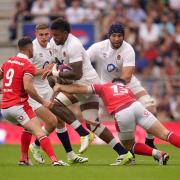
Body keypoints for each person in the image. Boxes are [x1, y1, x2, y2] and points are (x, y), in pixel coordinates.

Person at [43, 17, 133, 165]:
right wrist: (52, 73)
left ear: (65, 33)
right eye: (52, 34)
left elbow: (77, 73)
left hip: (88, 84)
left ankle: (83, 134)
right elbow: (56, 63)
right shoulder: (54, 43)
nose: (54, 38)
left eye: (57, 35)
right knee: (93, 124)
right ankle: (124, 153)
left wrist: (56, 74)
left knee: (55, 104)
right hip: (80, 85)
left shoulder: (74, 45)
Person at [53, 79, 180, 165]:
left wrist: (61, 87)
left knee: (128, 145)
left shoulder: (104, 86)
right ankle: (159, 153)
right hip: (137, 106)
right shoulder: (127, 89)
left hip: (122, 112)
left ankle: (159, 154)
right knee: (166, 134)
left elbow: (81, 90)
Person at [23, 24, 88, 164]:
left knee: (60, 121)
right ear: (36, 34)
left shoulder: (51, 46)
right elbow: (27, 71)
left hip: (47, 89)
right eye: (41, 35)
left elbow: (53, 64)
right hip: (34, 93)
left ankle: (71, 156)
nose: (45, 37)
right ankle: (35, 145)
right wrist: (46, 70)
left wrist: (57, 69)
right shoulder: (32, 49)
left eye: (47, 34)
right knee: (52, 122)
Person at [86, 23, 157, 149]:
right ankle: (124, 150)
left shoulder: (128, 49)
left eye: (120, 36)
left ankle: (149, 141)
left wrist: (116, 89)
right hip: (106, 87)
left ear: (123, 36)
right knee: (106, 118)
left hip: (129, 83)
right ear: (109, 36)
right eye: (114, 36)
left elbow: (127, 76)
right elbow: (83, 60)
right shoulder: (99, 47)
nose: (117, 39)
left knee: (152, 109)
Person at [0, 37, 68, 166]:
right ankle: (55, 161)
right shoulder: (27, 65)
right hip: (18, 106)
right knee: (40, 132)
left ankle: (24, 159)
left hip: (5, 109)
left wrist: (2, 89)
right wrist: (43, 101)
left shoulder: (9, 61)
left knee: (29, 128)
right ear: (30, 48)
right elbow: (28, 87)